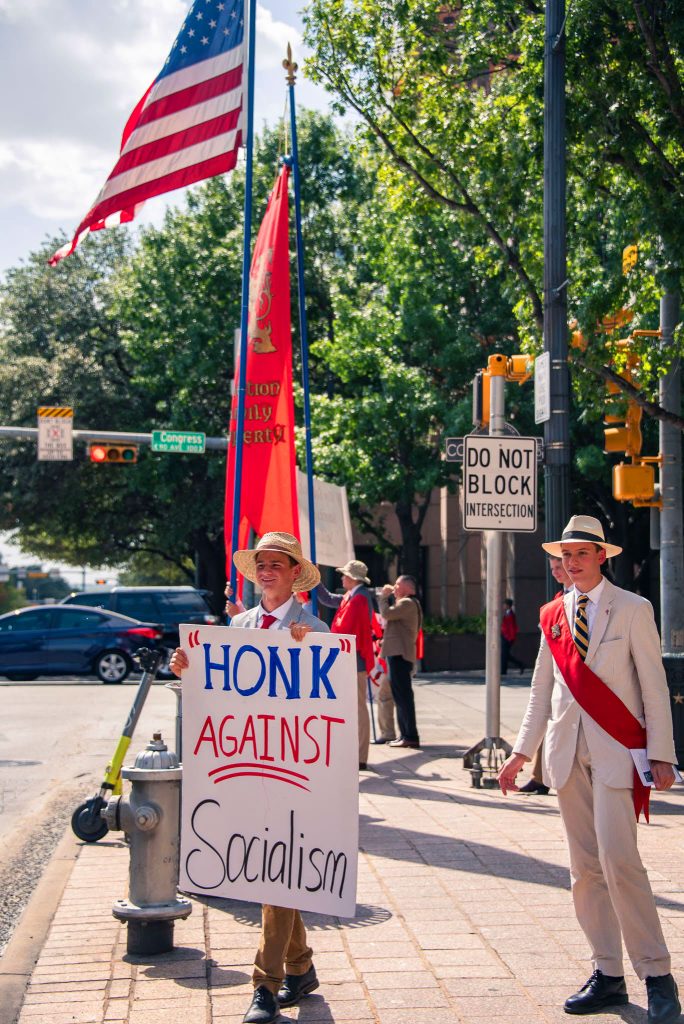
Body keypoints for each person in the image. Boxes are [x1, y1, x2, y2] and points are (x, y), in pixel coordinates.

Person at [498, 515, 680, 1024]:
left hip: (618, 752)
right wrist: (520, 752)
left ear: (603, 556)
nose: (572, 562)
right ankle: (607, 973)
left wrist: (662, 752)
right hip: (565, 754)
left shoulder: (633, 609)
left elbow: (653, 686)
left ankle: (658, 975)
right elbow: (542, 691)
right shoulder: (553, 613)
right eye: (566, 554)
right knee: (584, 870)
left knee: (620, 862)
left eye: (582, 553)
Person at [170, 532, 329, 1024]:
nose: (266, 571)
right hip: (245, 765)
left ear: (293, 574)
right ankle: (300, 969)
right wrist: (186, 668)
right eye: (261, 563)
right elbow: (221, 688)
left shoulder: (314, 628)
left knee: (273, 870)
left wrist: (312, 655)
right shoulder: (238, 624)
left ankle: (265, 983)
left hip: (294, 770)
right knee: (270, 873)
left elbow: (331, 699)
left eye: (276, 564)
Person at [518, 556, 573, 796]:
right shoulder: (557, 601)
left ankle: (542, 776)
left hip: (577, 685)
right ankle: (541, 776)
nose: (556, 573)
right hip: (556, 675)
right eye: (552, 568)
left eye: (559, 567)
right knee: (545, 718)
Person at [315, 560, 374, 770]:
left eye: (344, 575)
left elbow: (344, 627)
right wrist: (315, 578)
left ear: (353, 578)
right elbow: (327, 598)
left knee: (358, 707)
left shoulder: (359, 598)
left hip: (354, 659)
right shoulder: (353, 596)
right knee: (352, 707)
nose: (341, 577)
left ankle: (360, 756)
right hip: (349, 658)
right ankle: (355, 753)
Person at [377, 575, 423, 749]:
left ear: (409, 588)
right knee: (400, 696)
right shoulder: (407, 604)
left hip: (399, 655)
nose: (394, 588)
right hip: (397, 654)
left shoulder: (407, 603)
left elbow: (386, 614)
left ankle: (410, 735)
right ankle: (405, 734)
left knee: (403, 697)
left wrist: (382, 597)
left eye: (398, 585)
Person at [500, 598, 525, 675]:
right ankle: (520, 665)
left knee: (504, 655)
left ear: (507, 605)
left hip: (507, 638)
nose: (503, 605)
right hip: (505, 636)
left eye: (504, 604)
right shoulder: (507, 613)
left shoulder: (510, 614)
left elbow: (511, 627)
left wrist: (510, 638)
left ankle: (504, 671)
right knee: (505, 655)